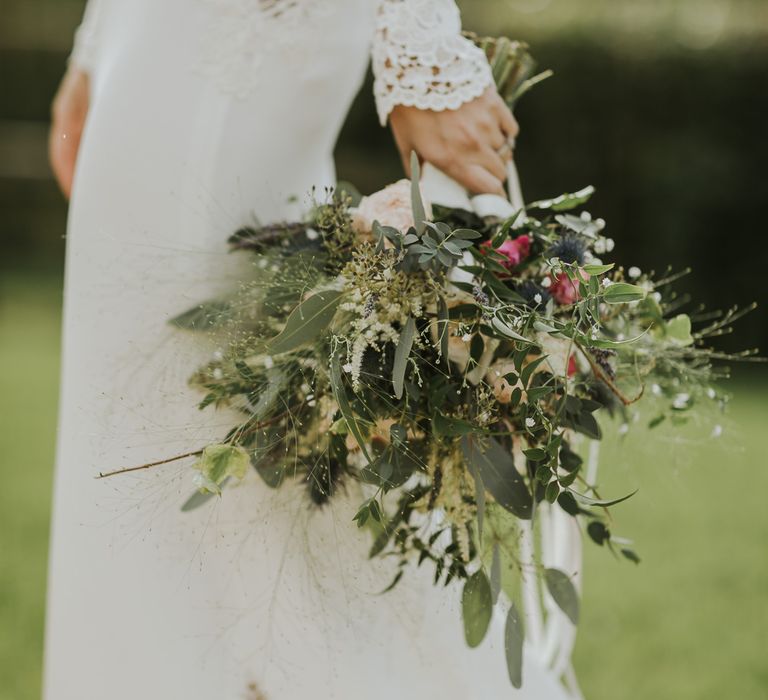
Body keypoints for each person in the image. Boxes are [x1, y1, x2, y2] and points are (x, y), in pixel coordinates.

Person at [45, 1, 579, 697]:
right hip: (148, 39)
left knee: (250, 427)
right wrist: (100, 39)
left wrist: (419, 48)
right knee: (137, 421)